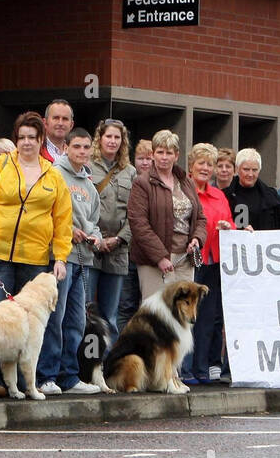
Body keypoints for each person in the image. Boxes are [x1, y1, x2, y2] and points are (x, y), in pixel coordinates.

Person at [0, 111, 71, 397]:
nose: (26, 142)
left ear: (41, 140)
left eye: (32, 137)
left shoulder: (53, 174)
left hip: (35, 259)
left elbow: (63, 219)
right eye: (22, 137)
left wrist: (60, 256)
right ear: (16, 140)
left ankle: (28, 382)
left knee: (31, 326)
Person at [39, 127, 104, 396]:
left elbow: (95, 221)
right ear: (66, 147)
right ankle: (46, 376)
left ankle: (69, 376)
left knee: (76, 321)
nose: (82, 152)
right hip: (61, 257)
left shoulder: (90, 184)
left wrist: (96, 238)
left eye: (86, 148)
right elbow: (48, 213)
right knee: (56, 318)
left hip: (85, 258)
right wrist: (69, 232)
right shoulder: (54, 174)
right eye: (76, 147)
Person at [128, 130, 205, 301]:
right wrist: (160, 257)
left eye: (169, 152)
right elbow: (138, 224)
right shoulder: (142, 183)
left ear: (176, 155)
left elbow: (200, 217)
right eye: (160, 152)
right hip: (153, 262)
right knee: (157, 314)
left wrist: (197, 239)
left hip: (185, 258)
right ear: (153, 154)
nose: (164, 157)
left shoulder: (187, 182)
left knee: (184, 315)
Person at [181, 143, 236, 384]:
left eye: (209, 164)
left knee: (207, 318)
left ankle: (201, 368)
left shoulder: (219, 195)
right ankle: (184, 369)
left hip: (214, 261)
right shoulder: (184, 191)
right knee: (186, 315)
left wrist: (228, 227)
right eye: (201, 163)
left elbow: (231, 223)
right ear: (191, 166)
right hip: (191, 261)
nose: (206, 168)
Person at [86, 118, 135, 337]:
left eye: (117, 137)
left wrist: (119, 239)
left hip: (119, 249)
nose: (113, 141)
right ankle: (85, 365)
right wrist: (96, 238)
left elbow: (136, 214)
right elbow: (81, 205)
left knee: (110, 315)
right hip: (91, 247)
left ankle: (108, 365)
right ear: (100, 138)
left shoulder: (130, 172)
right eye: (109, 136)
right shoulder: (87, 165)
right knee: (86, 310)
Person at [116, 139, 152, 331]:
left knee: (147, 306)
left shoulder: (160, 184)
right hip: (127, 252)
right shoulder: (127, 179)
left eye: (149, 158)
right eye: (141, 158)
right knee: (125, 306)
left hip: (149, 255)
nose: (145, 163)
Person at [222, 148, 280, 232]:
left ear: (259, 170)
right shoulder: (224, 196)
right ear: (237, 169)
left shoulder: (271, 195)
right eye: (246, 169)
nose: (250, 174)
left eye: (254, 170)